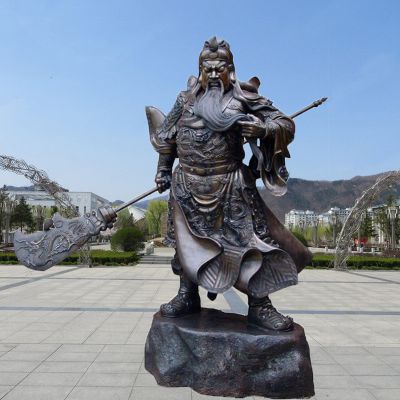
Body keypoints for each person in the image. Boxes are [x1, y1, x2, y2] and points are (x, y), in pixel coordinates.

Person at [146, 37, 311, 331]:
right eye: (206, 68)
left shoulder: (243, 98)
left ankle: (260, 305)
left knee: (250, 244)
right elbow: (167, 139)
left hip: (231, 185)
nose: (212, 74)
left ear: (230, 69)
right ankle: (187, 295)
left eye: (218, 68)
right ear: (200, 69)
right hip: (186, 186)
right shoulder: (184, 100)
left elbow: (285, 124)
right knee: (186, 246)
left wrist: (263, 128)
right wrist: (162, 170)